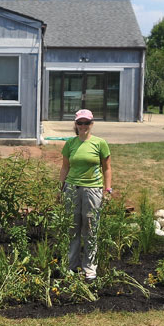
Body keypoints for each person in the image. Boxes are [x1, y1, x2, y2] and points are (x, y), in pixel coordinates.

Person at [59, 109, 112, 281]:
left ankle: (89, 268)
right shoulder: (70, 144)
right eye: (80, 123)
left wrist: (107, 189)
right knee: (72, 228)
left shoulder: (100, 143)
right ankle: (71, 266)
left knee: (90, 228)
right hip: (72, 189)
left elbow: (107, 168)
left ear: (92, 124)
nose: (83, 126)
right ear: (76, 124)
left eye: (86, 123)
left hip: (93, 190)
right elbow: (65, 167)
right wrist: (60, 189)